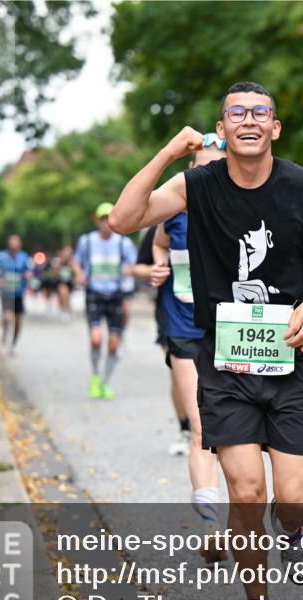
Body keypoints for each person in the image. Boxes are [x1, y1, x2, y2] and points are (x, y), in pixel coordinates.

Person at [109, 80, 303, 600]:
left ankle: (292, 529)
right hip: (225, 365)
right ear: (221, 128)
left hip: (291, 361)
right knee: (245, 493)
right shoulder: (196, 185)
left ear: (275, 127)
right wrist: (170, 151)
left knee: (298, 499)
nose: (248, 119)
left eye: (259, 112)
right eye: (236, 112)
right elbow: (123, 219)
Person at [150, 132, 230, 562]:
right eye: (202, 167)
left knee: (240, 433)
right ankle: (211, 524)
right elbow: (159, 244)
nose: (210, 174)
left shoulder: (240, 213)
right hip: (184, 329)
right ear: (191, 173)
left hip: (230, 333)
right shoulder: (173, 216)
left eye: (218, 167)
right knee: (202, 428)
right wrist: (159, 267)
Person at [134, 223, 192, 454]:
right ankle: (185, 430)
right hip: (172, 312)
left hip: (211, 312)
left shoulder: (220, 212)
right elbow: (138, 268)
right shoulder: (166, 221)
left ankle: (209, 431)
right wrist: (154, 270)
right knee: (178, 373)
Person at [72, 203, 137, 400]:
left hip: (115, 295)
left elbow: (134, 264)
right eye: (103, 219)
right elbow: (76, 261)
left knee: (114, 345)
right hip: (95, 293)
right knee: (96, 339)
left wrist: (129, 270)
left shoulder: (123, 243)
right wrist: (79, 273)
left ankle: (105, 382)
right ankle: (94, 376)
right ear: (97, 220)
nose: (106, 223)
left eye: (109, 218)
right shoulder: (87, 241)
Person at [0, 234, 33, 356]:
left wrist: (28, 275)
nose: (14, 248)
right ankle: (5, 333)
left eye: (16, 245)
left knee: (18, 321)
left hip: (19, 293)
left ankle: (13, 346)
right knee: (7, 316)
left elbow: (29, 271)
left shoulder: (24, 257)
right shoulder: (0, 256)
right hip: (6, 292)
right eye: (12, 245)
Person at [54, 245, 75, 323]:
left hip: (69, 282)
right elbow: (55, 274)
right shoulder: (59, 262)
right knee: (62, 296)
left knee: (66, 295)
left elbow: (76, 273)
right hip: (60, 282)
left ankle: (66, 310)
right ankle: (64, 310)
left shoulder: (73, 262)